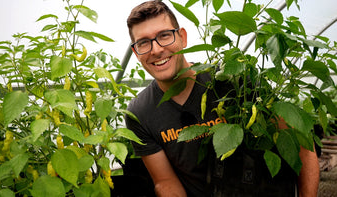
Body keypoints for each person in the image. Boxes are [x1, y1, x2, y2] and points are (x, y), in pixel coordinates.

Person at [124, 1, 320, 197]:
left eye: (164, 35)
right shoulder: (140, 112)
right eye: (143, 42)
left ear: (182, 37)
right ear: (136, 52)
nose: (156, 49)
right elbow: (166, 182)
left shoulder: (233, 79)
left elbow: (301, 145)